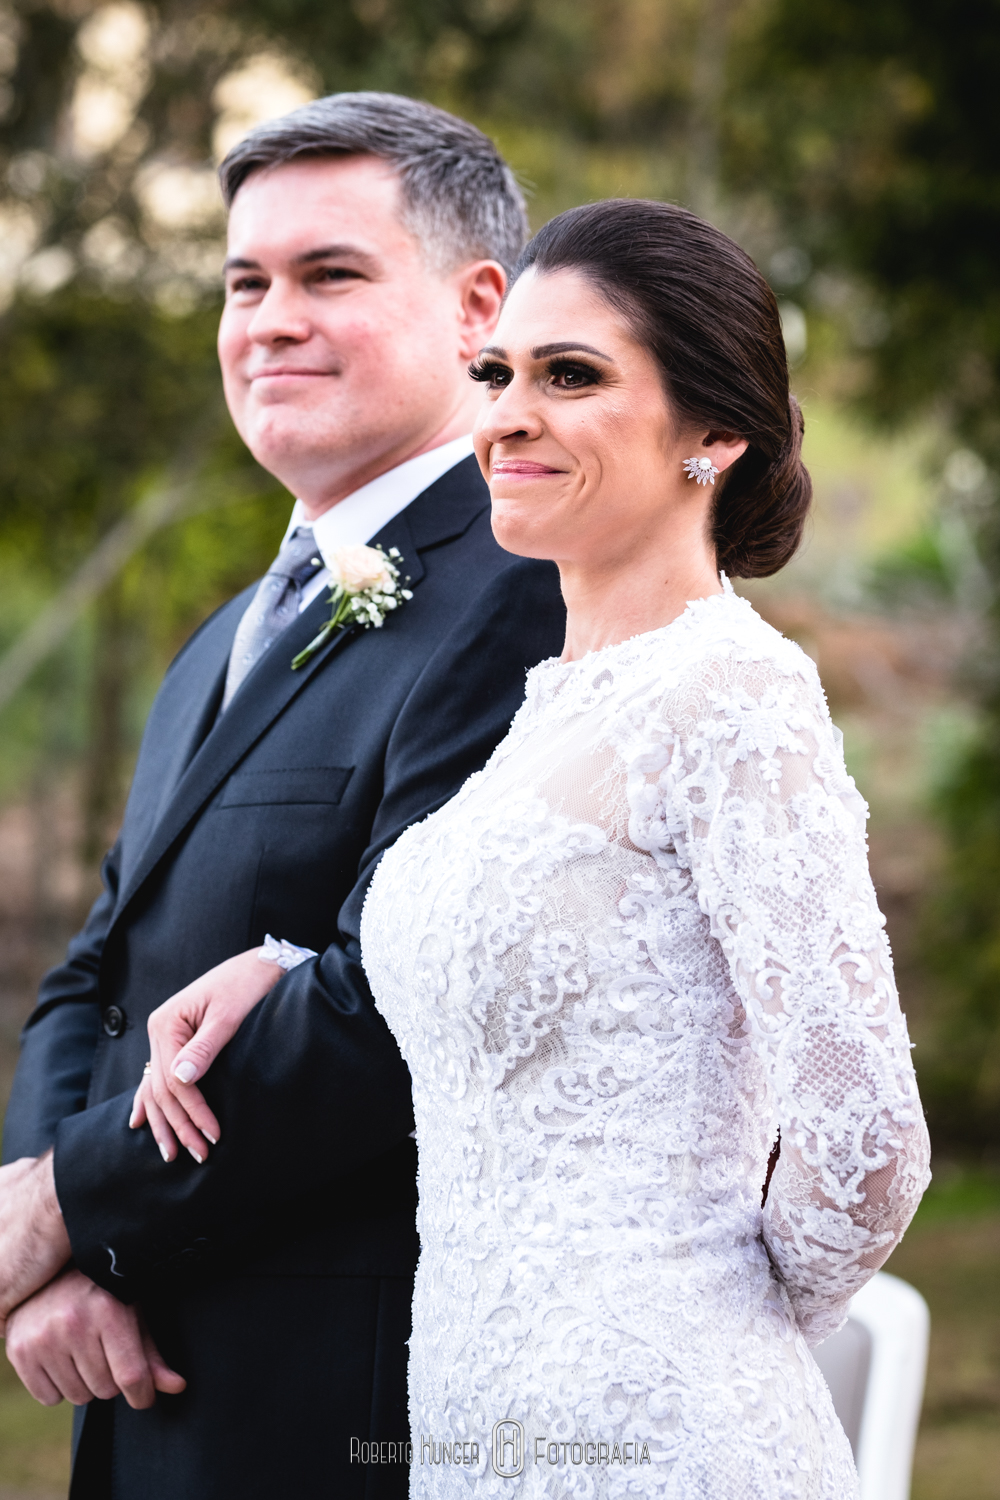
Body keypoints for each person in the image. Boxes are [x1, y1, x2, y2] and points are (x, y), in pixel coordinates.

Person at [145, 199, 931, 1497]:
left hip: (663, 1434)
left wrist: (700, 1323)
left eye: (571, 375)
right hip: (472, 1424)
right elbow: (542, 964)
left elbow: (867, 1145)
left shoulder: (732, 698)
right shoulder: (549, 703)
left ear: (715, 432)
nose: (507, 413)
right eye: (496, 372)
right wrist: (281, 966)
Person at [0, 93, 565, 1499]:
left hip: (337, 1407)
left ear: (476, 309)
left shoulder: (528, 600)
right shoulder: (216, 644)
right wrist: (48, 1258)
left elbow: (395, 1014)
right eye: (245, 282)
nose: (267, 321)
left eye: (330, 275)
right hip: (137, 1387)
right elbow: (95, 978)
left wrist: (72, 1204)